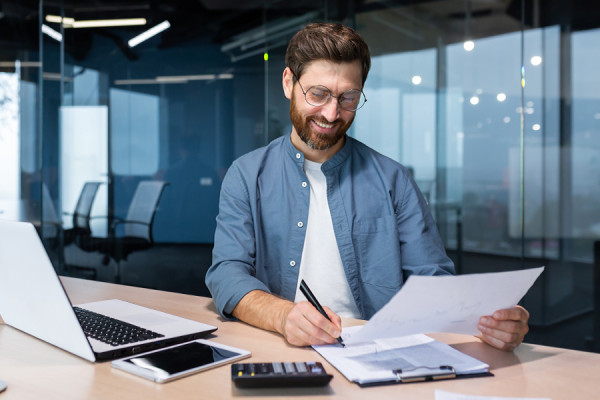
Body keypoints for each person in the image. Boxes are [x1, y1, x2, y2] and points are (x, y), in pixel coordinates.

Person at [206, 23, 529, 351]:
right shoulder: (247, 175)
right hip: (280, 348)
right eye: (318, 94)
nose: (332, 114)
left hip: (379, 354)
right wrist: (282, 316)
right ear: (289, 83)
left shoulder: (393, 180)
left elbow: (432, 281)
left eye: (348, 98)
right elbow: (227, 274)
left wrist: (488, 320)